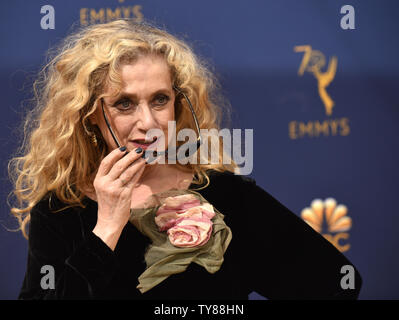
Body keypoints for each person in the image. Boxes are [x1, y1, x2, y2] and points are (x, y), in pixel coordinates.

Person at [9, 19, 362, 300]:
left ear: (178, 104)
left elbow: (337, 284)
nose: (148, 123)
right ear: (90, 116)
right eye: (124, 103)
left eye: (160, 100)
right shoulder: (59, 210)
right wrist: (107, 228)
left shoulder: (229, 195)